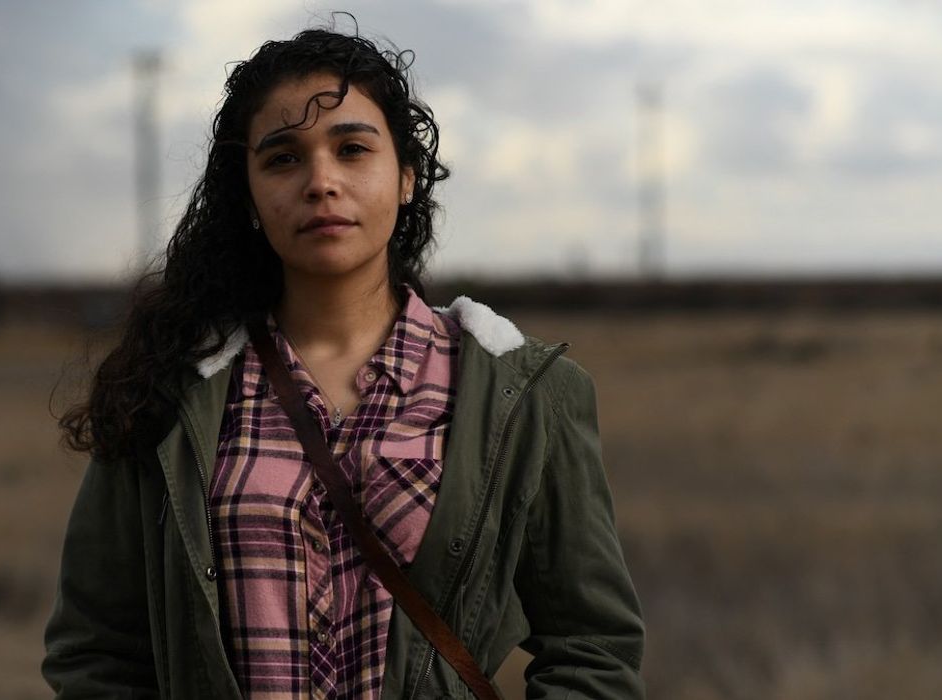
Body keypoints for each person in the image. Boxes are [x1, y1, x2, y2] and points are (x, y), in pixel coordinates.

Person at [44, 23, 644, 700]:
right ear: (248, 197)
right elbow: (95, 653)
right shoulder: (168, 392)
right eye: (282, 159)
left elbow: (592, 649)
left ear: (407, 176)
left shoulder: (524, 395)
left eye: (352, 149)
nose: (321, 182)